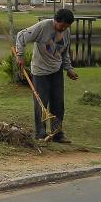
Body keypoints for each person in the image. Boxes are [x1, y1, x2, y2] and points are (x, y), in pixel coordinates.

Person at [15, 8, 78, 143]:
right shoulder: (43, 26)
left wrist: (69, 68)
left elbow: (65, 52)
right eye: (62, 26)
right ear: (56, 20)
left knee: (58, 103)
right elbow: (21, 36)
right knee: (41, 104)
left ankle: (57, 133)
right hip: (40, 71)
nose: (64, 29)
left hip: (57, 70)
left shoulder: (66, 31)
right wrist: (20, 55)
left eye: (67, 27)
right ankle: (41, 134)